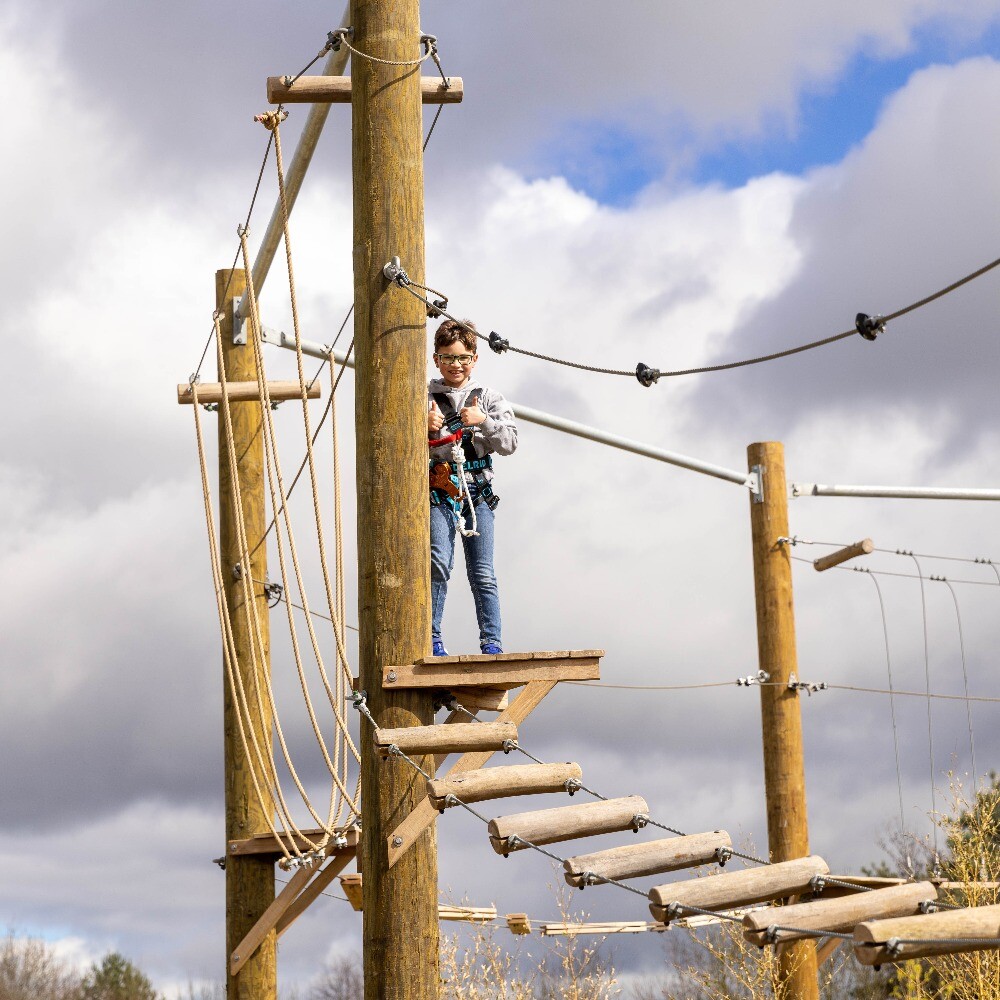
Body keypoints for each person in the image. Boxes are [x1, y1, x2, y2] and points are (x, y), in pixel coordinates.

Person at [427, 318, 517, 656]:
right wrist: (422, 425)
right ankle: (432, 637)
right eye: (448, 358)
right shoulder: (424, 397)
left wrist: (485, 422)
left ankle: (491, 642)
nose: (455, 365)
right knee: (438, 562)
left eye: (462, 358)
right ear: (437, 359)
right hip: (441, 489)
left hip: (477, 492)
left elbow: (510, 442)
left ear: (474, 359)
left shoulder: (488, 398)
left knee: (483, 573)